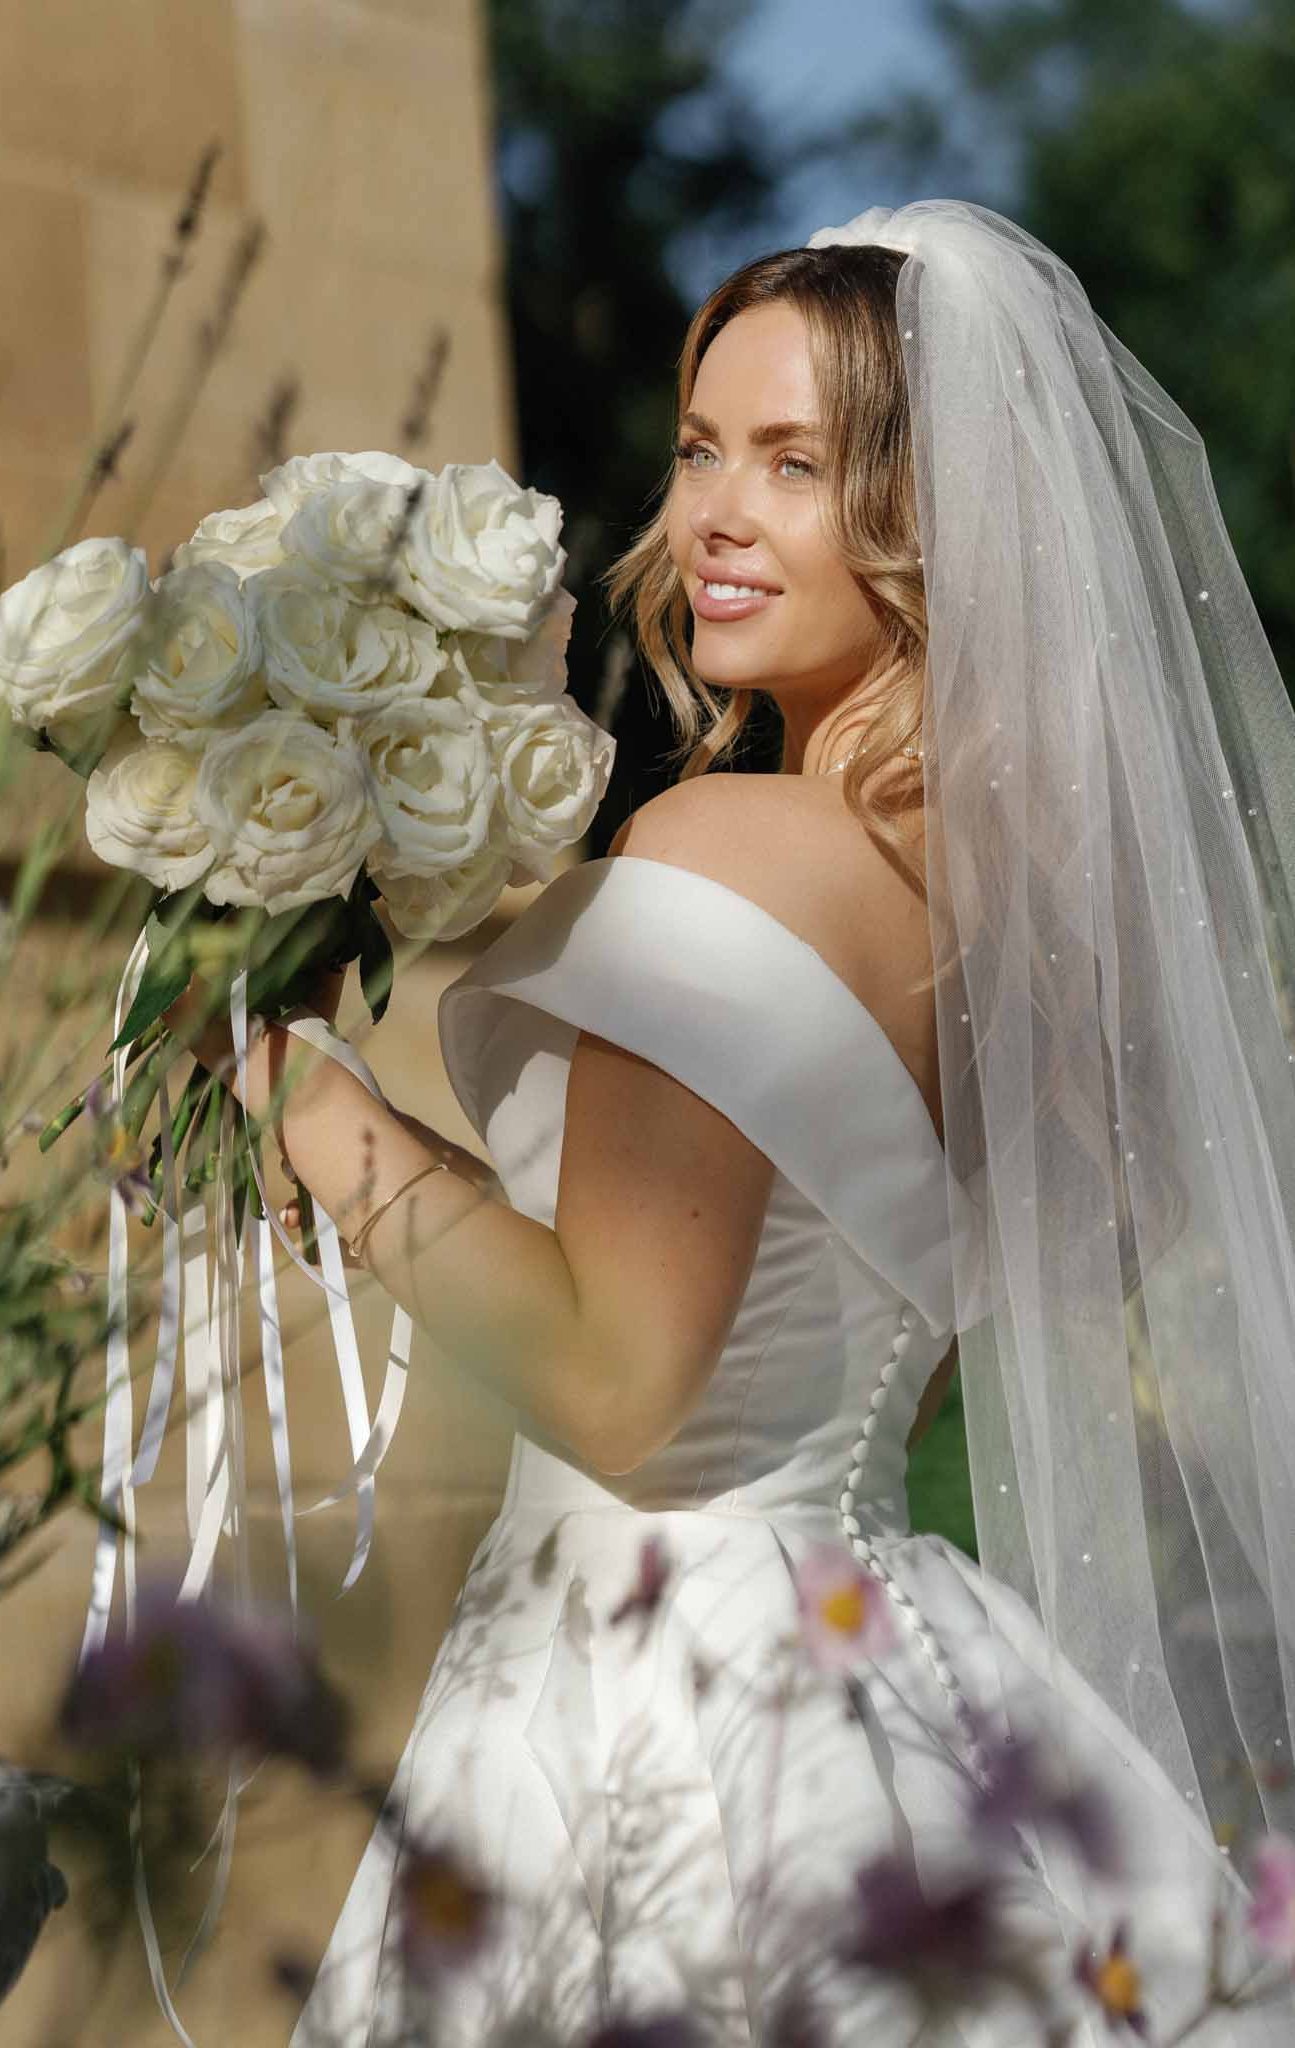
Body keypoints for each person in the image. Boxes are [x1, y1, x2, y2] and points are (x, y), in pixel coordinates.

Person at [175, 203, 1295, 2046]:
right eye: (701, 448)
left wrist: (298, 1095)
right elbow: (844, 1357)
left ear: (937, 522)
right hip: (889, 1659)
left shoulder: (723, 846)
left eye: (796, 465)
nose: (711, 515)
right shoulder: (1009, 924)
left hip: (665, 1694)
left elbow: (621, 1391)